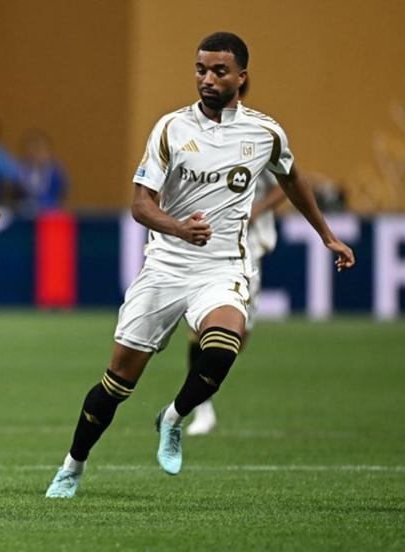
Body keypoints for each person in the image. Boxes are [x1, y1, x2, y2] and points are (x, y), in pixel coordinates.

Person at [45, 32, 354, 498]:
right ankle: (72, 465)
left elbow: (292, 180)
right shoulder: (171, 129)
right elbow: (140, 205)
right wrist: (177, 228)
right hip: (166, 266)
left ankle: (173, 416)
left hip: (221, 267)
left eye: (219, 71)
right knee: (117, 384)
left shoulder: (265, 132)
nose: (207, 79)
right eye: (201, 70)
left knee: (226, 341)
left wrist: (327, 235)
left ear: (241, 77)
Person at [186, 82, 287, 436]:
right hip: (213, 247)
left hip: (250, 247)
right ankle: (200, 408)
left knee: (236, 336)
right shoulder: (196, 138)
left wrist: (254, 211)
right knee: (201, 326)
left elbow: (285, 186)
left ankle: (200, 393)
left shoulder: (260, 137)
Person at [16, 129, 68, 213]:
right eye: (33, 150)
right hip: (24, 212)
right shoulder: (19, 169)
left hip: (50, 211)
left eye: (39, 150)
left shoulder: (56, 171)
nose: (36, 154)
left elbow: (61, 192)